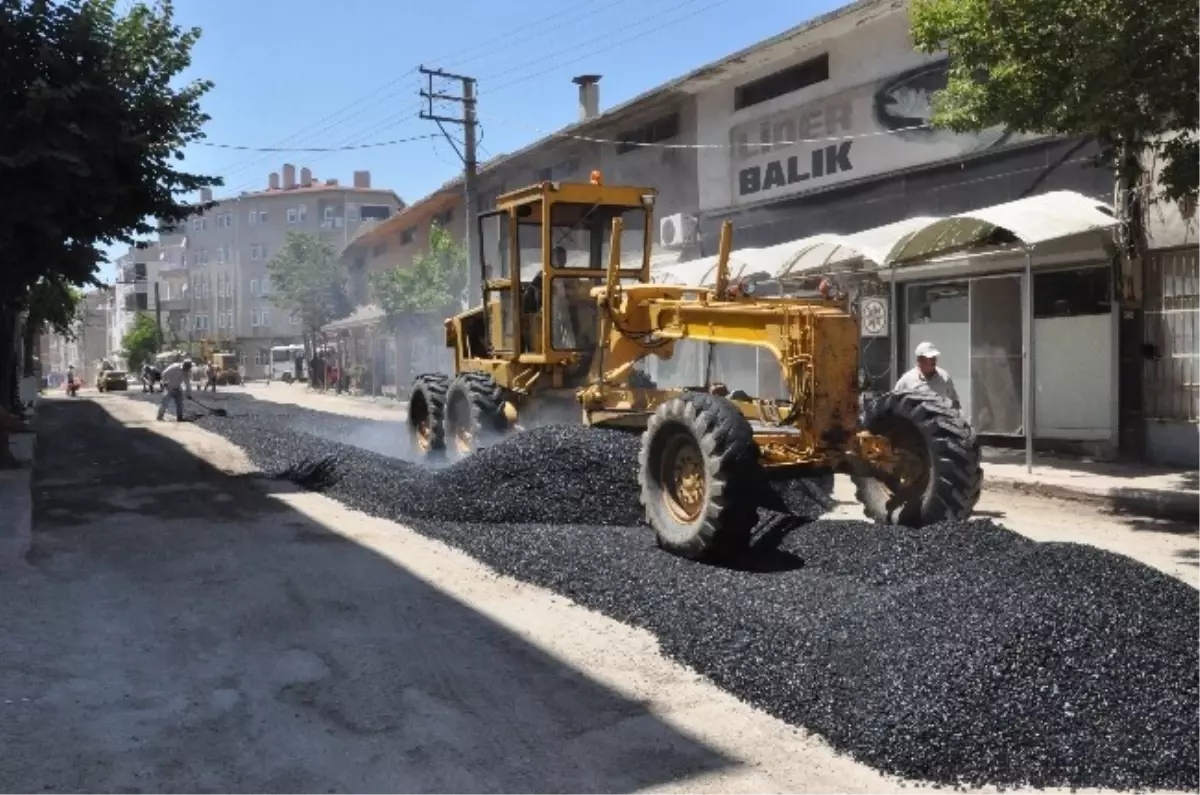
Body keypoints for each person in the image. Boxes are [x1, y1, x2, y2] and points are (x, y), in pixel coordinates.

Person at [894, 341, 961, 409]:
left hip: (939, 418)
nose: (934, 360)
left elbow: (955, 401)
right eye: (930, 357)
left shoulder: (944, 376)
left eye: (934, 357)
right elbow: (895, 402)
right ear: (920, 360)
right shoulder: (907, 380)